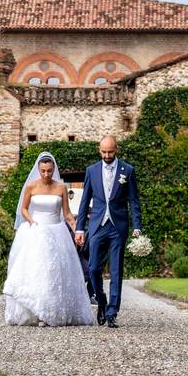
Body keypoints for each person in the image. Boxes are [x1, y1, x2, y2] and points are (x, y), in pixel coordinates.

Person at [3, 152, 95, 326]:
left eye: (49, 171)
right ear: (39, 169)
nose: (46, 174)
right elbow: (23, 209)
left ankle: (49, 311)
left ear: (54, 170)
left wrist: (77, 230)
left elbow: (67, 214)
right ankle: (34, 310)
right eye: (43, 171)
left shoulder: (61, 188)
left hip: (56, 232)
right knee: (35, 270)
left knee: (53, 272)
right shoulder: (31, 186)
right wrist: (30, 219)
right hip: (35, 231)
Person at [75, 135, 143, 328]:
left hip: (118, 227)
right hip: (96, 226)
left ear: (116, 150)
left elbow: (134, 201)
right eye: (104, 152)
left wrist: (137, 226)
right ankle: (102, 302)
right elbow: (84, 201)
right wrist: (80, 228)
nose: (107, 155)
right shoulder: (91, 170)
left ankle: (112, 312)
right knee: (94, 268)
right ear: (99, 150)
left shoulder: (127, 171)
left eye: (110, 152)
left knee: (116, 270)